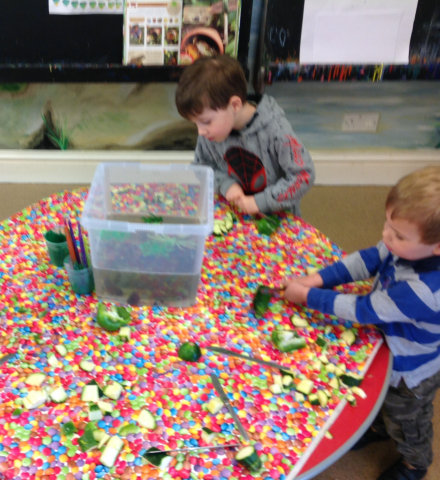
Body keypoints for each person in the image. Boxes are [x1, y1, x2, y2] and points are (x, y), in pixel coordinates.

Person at [284, 166, 440, 480]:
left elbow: (366, 310)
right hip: (390, 344)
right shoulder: (402, 245)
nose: (385, 236)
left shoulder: (424, 291)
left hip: (410, 371)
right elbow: (368, 258)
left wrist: (309, 297)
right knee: (381, 402)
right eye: (387, 223)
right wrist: (317, 279)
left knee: (407, 419)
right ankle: (381, 427)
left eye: (397, 234)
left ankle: (415, 462)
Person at [175, 54, 314, 216]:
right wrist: (226, 185)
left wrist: (259, 202)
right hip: (233, 214)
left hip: (276, 217)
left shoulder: (276, 130)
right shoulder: (210, 134)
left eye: (205, 122)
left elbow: (303, 175)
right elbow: (201, 166)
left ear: (234, 105)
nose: (200, 131)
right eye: (195, 123)